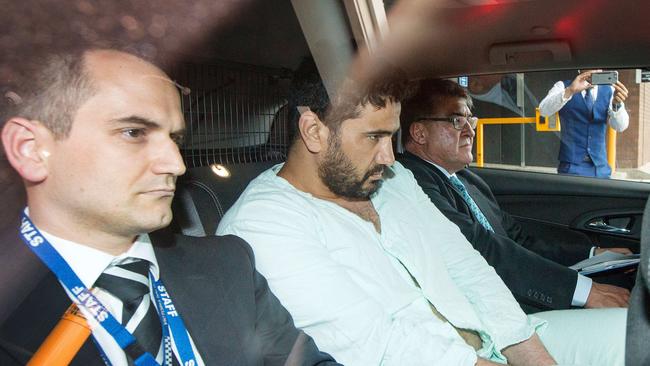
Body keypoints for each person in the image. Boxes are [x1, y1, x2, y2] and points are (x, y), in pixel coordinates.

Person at [217, 62, 625, 365]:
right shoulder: (262, 226)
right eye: (374, 137)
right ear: (312, 130)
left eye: (391, 136)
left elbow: (466, 265)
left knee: (633, 334)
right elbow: (382, 346)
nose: (389, 156)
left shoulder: (389, 180)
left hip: (494, 341)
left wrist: (533, 356)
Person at [0, 49, 338, 366]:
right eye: (133, 133)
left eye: (175, 140)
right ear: (30, 149)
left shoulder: (228, 264)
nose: (176, 165)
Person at [398, 78, 632, 314]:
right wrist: (584, 292)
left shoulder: (467, 180)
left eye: (471, 120)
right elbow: (481, 247)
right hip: (492, 311)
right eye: (457, 121)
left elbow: (518, 240)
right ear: (419, 133)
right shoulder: (414, 183)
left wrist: (592, 255)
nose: (470, 131)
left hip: (516, 292)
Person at [538, 70, 629, 178]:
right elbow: (543, 111)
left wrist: (616, 105)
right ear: (580, 69)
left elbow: (620, 126)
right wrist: (570, 91)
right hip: (571, 166)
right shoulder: (562, 86)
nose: (594, 70)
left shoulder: (610, 90)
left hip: (600, 167)